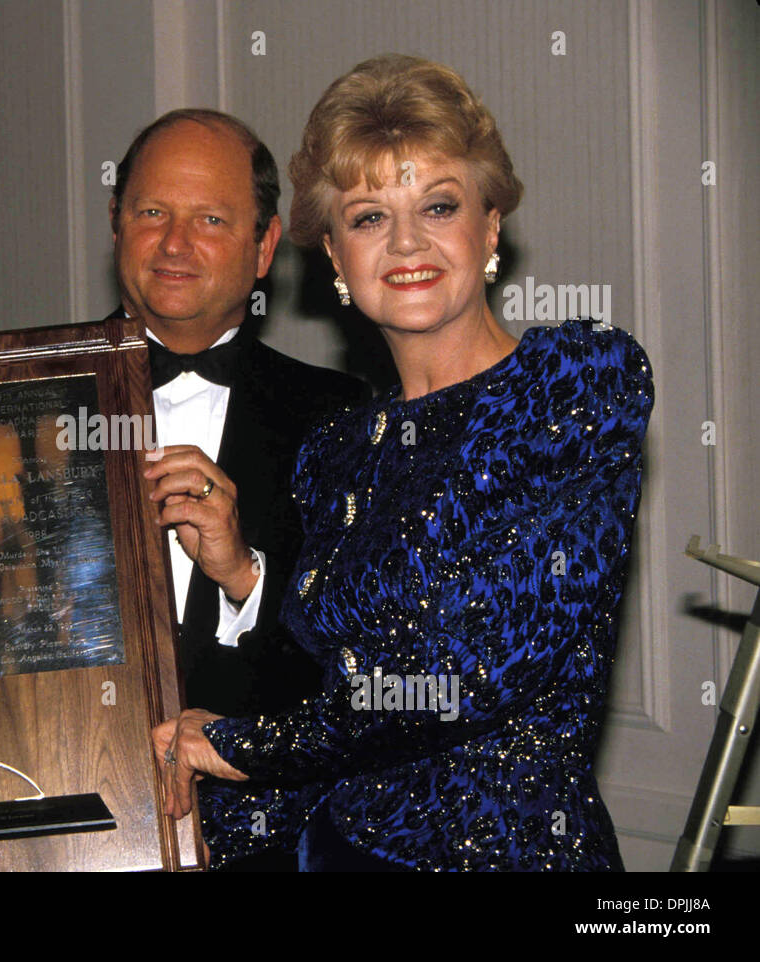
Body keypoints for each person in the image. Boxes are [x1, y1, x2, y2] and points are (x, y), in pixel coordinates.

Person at [152, 55, 654, 871]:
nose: (408, 243)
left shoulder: (575, 385)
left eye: (439, 205)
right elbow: (333, 711)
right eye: (369, 217)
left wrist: (243, 744)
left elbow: (467, 672)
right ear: (334, 256)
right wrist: (167, 808)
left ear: (491, 226)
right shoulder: (337, 451)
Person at [110, 109, 367, 731]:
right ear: (115, 226)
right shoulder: (28, 402)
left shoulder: (342, 420)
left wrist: (243, 577)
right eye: (151, 213)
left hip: (268, 815)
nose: (174, 243)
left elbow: (360, 675)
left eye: (211, 220)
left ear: (264, 246)